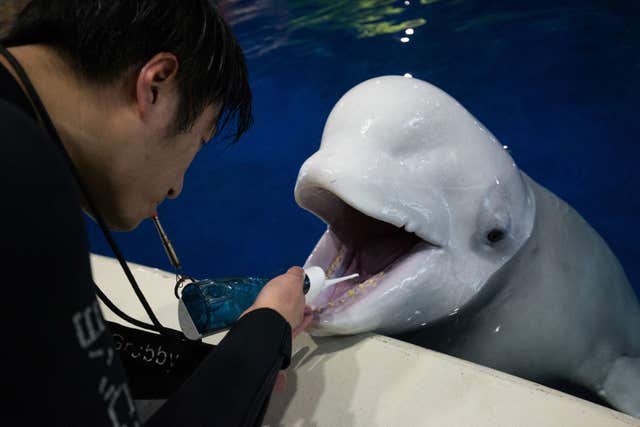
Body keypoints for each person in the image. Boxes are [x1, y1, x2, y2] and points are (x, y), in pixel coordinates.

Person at [0, 1, 312, 425]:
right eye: (198, 141)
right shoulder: (20, 167)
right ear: (156, 84)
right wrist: (265, 333)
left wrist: (198, 366)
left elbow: (53, 349)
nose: (175, 187)